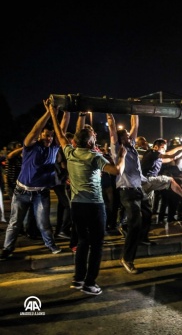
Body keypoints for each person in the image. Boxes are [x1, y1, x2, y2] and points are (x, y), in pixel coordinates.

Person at [49, 102, 126, 295]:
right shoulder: (95, 157)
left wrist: (52, 112)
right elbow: (116, 171)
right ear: (91, 142)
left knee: (83, 241)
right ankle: (90, 283)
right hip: (94, 205)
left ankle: (78, 279)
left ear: (76, 141)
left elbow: (59, 134)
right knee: (97, 244)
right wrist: (123, 156)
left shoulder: (70, 152)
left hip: (77, 205)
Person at [107, 113, 182, 274]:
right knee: (135, 223)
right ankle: (127, 258)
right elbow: (112, 130)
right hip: (127, 191)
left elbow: (135, 126)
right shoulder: (117, 148)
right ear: (120, 139)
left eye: (128, 136)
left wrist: (134, 111)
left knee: (147, 213)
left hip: (140, 187)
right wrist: (110, 115)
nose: (129, 137)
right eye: (126, 136)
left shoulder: (131, 147)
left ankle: (138, 236)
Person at [0, 100, 69, 260]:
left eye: (51, 136)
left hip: (41, 193)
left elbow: (62, 129)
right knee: (15, 223)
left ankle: (51, 245)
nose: (49, 139)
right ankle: (7, 249)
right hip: (21, 192)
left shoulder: (53, 148)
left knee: (43, 224)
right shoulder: (30, 146)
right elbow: (35, 129)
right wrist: (49, 112)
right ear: (40, 136)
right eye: (46, 135)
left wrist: (64, 112)